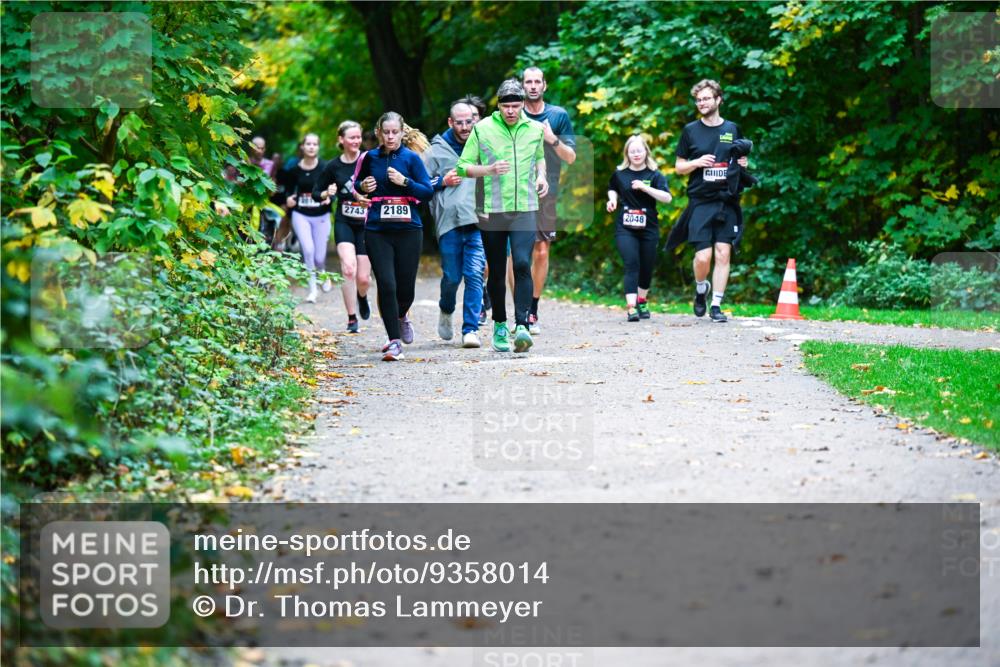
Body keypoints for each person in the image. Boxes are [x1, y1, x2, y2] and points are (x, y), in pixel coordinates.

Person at [456, 78, 547, 354]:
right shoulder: (482, 129)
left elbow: (540, 157)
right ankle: (499, 325)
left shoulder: (534, 129)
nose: (511, 110)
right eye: (506, 105)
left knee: (521, 263)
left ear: (522, 105)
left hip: (525, 207)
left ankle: (521, 326)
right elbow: (463, 167)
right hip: (492, 210)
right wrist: (489, 169)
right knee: (496, 271)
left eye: (515, 105)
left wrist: (542, 176)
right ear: (499, 105)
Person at [668, 79, 749, 323]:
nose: (701, 103)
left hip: (727, 200)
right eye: (698, 99)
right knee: (703, 257)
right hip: (701, 199)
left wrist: (744, 164)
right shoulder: (690, 131)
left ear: (718, 100)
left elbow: (740, 160)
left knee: (723, 253)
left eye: (706, 98)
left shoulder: (732, 129)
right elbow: (679, 167)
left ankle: (716, 305)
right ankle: (701, 287)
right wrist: (696, 162)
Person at [355, 112, 434, 362]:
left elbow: (427, 192)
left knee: (406, 290)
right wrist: (362, 188)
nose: (390, 137)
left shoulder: (411, 159)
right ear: (379, 132)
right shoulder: (368, 158)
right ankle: (393, 341)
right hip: (377, 229)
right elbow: (356, 184)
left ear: (402, 133)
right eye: (386, 132)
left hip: (409, 229)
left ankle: (401, 316)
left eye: (394, 132)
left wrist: (405, 182)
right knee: (387, 285)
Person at [424, 101, 486, 348]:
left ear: (474, 120)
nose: (464, 127)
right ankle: (446, 309)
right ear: (450, 122)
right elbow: (417, 186)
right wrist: (441, 181)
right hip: (448, 223)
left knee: (474, 275)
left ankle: (470, 330)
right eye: (458, 122)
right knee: (452, 277)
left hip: (479, 221)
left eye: (468, 122)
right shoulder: (434, 151)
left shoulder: (484, 145)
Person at [521, 66, 576, 334]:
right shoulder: (513, 114)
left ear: (545, 85)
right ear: (522, 86)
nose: (532, 86)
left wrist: (552, 139)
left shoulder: (558, 115)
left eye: (537, 82)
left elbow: (571, 158)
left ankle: (532, 309)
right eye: (528, 82)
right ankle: (506, 306)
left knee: (540, 251)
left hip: (547, 190)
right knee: (514, 253)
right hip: (515, 189)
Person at [606, 135, 672, 321]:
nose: (636, 154)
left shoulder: (655, 174)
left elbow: (667, 198)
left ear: (646, 152)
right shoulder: (620, 173)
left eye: (639, 151)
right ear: (627, 153)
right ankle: (631, 307)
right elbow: (612, 188)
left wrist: (645, 188)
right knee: (631, 263)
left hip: (649, 226)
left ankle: (642, 300)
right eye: (632, 151)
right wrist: (612, 200)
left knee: (646, 266)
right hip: (625, 226)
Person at [315, 121, 372, 333]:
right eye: (352, 138)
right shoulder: (333, 166)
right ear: (341, 140)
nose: (356, 141)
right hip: (344, 221)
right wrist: (326, 194)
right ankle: (351, 317)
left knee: (363, 278)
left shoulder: (369, 160)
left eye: (358, 137)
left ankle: (362, 296)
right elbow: (316, 191)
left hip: (366, 224)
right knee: (348, 269)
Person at [285, 133, 331, 303]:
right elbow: (288, 193)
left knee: (319, 257)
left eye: (315, 144)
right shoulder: (294, 170)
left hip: (321, 214)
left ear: (318, 147)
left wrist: (329, 197)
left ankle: (323, 272)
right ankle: (312, 289)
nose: (311, 147)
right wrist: (288, 200)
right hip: (301, 214)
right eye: (308, 144)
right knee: (308, 250)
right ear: (302, 147)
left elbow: (333, 188)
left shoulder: (325, 168)